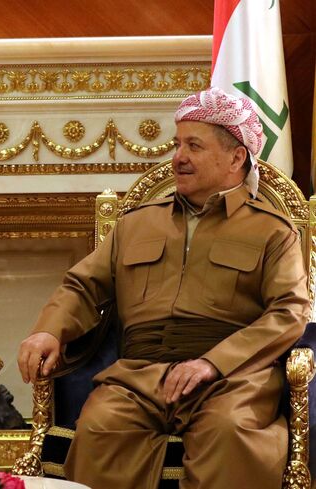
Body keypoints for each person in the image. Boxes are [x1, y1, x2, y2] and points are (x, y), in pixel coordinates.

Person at [17, 87, 310, 489]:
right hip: (138, 376)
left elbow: (289, 313)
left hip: (232, 379)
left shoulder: (273, 231)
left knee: (230, 432)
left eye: (194, 145)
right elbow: (83, 285)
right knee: (102, 430)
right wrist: (49, 329)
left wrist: (213, 363)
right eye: (177, 144)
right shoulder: (137, 223)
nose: (179, 157)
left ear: (236, 157)